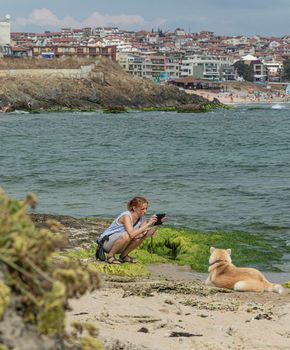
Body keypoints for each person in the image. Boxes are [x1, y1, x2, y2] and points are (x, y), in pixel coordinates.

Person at [96, 196, 164, 264]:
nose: (145, 211)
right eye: (142, 209)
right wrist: (148, 224)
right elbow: (131, 234)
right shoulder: (126, 216)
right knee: (127, 235)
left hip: (121, 244)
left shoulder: (142, 218)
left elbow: (147, 234)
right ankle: (110, 256)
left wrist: (158, 224)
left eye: (146, 208)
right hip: (106, 244)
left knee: (141, 236)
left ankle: (124, 256)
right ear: (134, 208)